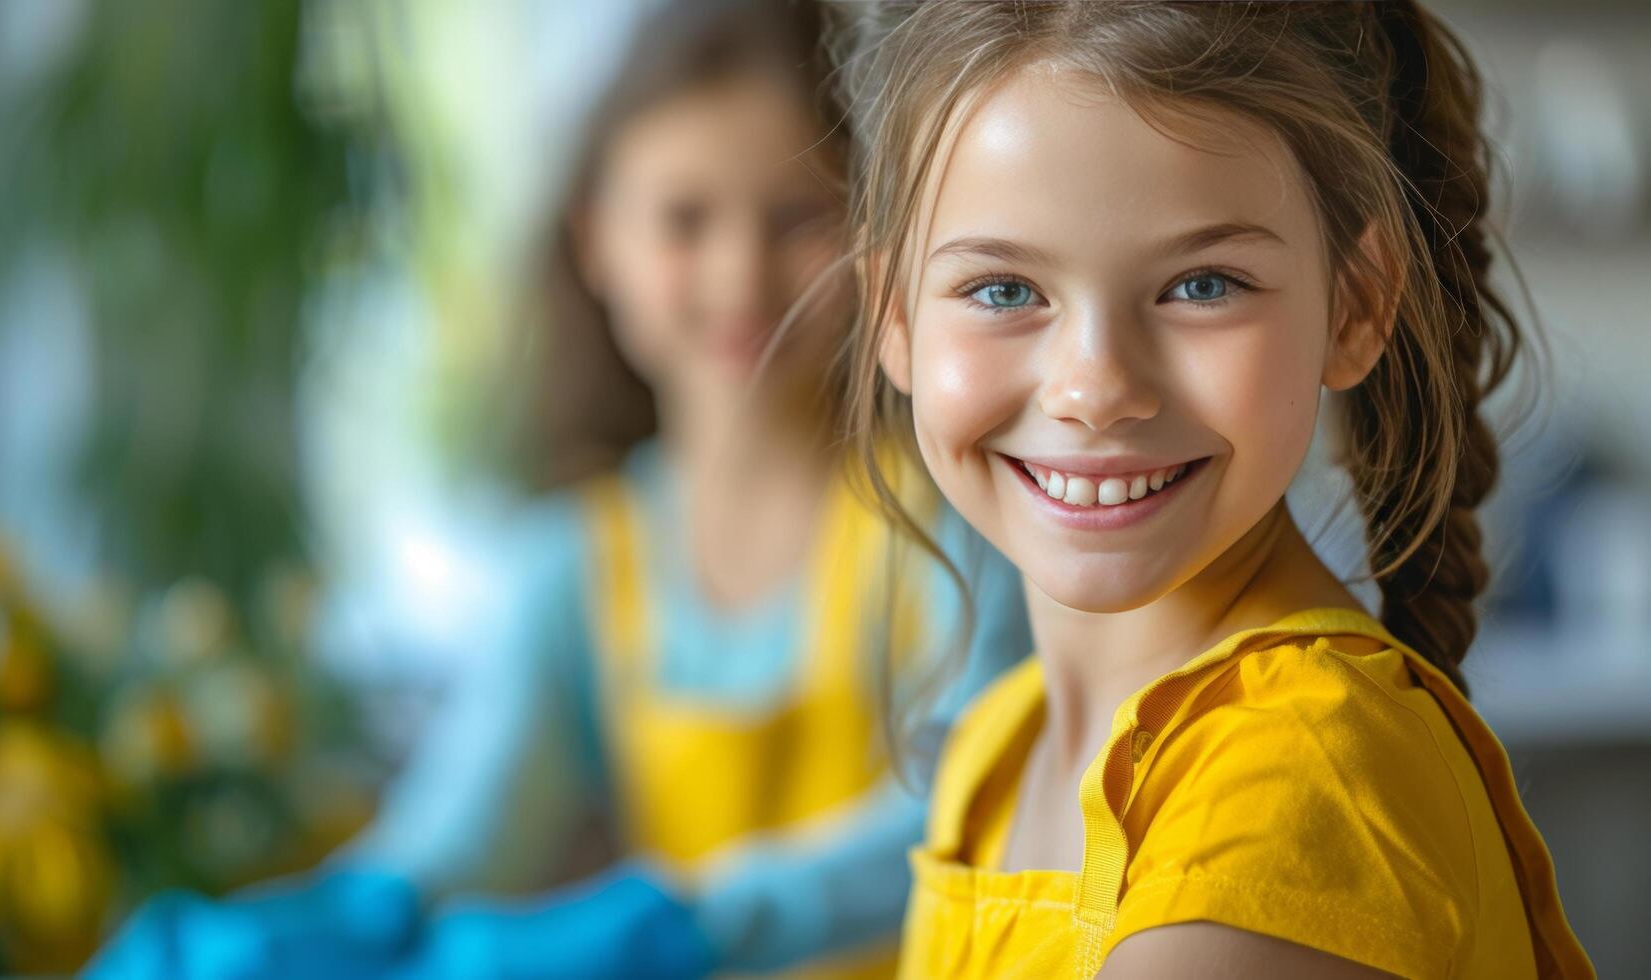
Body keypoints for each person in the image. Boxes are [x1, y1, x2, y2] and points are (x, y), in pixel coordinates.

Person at [83, 1, 1028, 978]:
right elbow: (466, 828)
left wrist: (695, 921)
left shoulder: (949, 526)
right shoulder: (576, 566)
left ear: (878, 245)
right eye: (684, 219)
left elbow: (962, 812)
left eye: (797, 217)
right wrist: (360, 905)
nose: (741, 272)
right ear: (596, 239)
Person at [827, 2, 1596, 977]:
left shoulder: (1299, 775)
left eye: (1202, 284)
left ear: (1356, 304)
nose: (1095, 388)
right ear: (894, 315)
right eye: (1005, 290)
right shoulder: (997, 745)